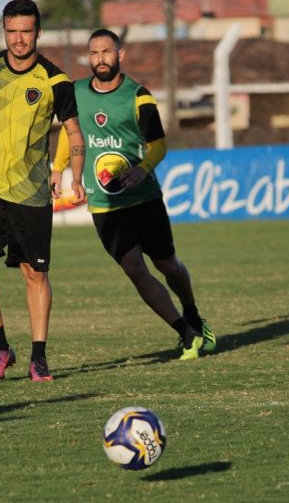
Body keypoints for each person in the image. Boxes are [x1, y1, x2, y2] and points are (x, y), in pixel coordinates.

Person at [51, 28, 216, 359]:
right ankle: (186, 333)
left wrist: (141, 169)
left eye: (106, 52)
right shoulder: (75, 92)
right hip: (104, 204)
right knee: (135, 269)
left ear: (120, 55)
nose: (100, 59)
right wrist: (59, 168)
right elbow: (71, 134)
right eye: (94, 53)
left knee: (167, 264)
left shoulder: (139, 95)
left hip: (144, 199)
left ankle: (192, 311)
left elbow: (159, 145)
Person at [0, 0, 86, 381]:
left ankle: (38, 356)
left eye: (26, 31)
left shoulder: (56, 81)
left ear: (38, 32)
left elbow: (74, 131)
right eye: (12, 31)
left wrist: (76, 174)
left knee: (34, 273)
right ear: (4, 30)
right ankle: (0, 349)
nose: (19, 39)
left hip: (32, 191)